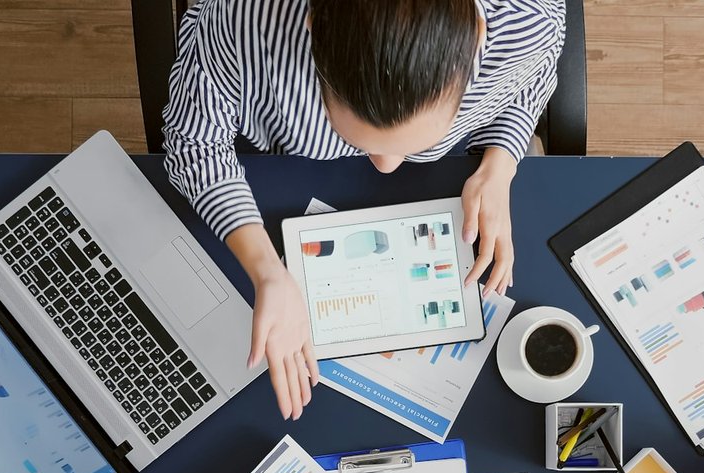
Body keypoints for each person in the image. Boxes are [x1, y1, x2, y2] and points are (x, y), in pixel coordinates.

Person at [163, 0, 568, 420]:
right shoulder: (244, 20)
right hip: (278, 174)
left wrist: (500, 161)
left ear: (479, 35)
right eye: (360, 137)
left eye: (414, 143)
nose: (387, 166)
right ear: (314, 24)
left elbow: (535, 75)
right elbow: (195, 145)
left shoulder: (527, 22)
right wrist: (266, 269)